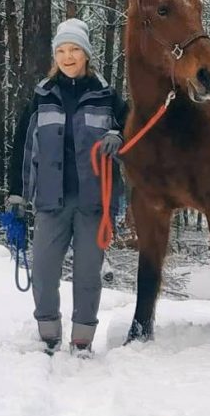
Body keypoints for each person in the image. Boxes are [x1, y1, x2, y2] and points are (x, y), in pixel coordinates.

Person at [7, 18, 128, 356]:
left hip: (93, 202)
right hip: (50, 200)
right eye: (61, 50)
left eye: (74, 49)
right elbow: (22, 146)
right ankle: (47, 336)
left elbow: (133, 133)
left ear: (86, 54)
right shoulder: (42, 96)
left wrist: (118, 136)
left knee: (88, 275)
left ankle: (82, 340)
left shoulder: (107, 97)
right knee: (44, 273)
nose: (68, 56)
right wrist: (17, 194)